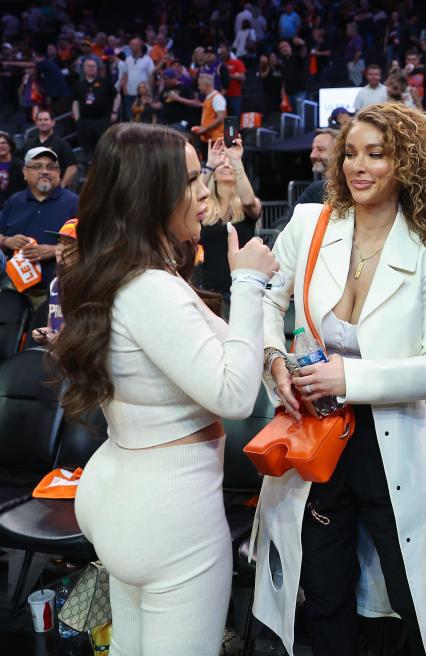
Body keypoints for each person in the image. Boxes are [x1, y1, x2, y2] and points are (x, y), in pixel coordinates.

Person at [55, 122, 278, 655]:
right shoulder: (150, 285)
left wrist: (274, 357)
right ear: (147, 192)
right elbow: (232, 395)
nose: (204, 191)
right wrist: (248, 282)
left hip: (131, 494)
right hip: (168, 512)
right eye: (189, 180)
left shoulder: (124, 269)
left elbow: (222, 346)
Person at [252, 103, 426, 656]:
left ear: (408, 164)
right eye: (350, 153)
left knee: (414, 599)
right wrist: (276, 361)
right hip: (315, 436)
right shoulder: (309, 222)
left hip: (393, 441)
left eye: (377, 154)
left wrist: (352, 376)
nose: (357, 167)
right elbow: (269, 299)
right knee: (324, 594)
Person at [0, 147, 78, 330]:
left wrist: (52, 251)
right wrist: (6, 241)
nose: (44, 171)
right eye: (37, 166)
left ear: (59, 173)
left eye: (51, 167)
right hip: (13, 293)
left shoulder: (74, 203)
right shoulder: (14, 201)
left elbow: (90, 244)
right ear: (25, 173)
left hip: (56, 296)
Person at [195, 137, 261, 298]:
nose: (226, 164)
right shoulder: (203, 208)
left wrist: (236, 160)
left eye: (229, 162)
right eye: (221, 162)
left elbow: (248, 201)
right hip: (210, 290)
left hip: (244, 288)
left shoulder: (248, 205)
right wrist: (209, 165)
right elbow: (190, 198)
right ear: (213, 176)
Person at [30, 217, 76, 346]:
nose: (60, 248)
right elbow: (52, 326)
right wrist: (45, 333)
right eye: (59, 242)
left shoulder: (90, 285)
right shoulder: (55, 283)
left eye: (69, 243)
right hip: (56, 354)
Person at [72, 56, 119, 160]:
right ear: (84, 69)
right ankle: (89, 171)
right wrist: (77, 118)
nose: (92, 68)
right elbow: (75, 101)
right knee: (88, 149)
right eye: (89, 66)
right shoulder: (79, 85)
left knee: (104, 148)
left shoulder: (105, 82)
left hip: (103, 120)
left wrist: (114, 111)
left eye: (94, 66)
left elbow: (117, 96)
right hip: (85, 121)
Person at [22, 109, 78, 188]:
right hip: (33, 189)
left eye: (46, 119)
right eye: (40, 120)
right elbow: (22, 165)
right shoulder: (29, 144)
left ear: (53, 122)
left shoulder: (62, 144)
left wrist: (62, 185)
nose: (43, 122)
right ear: (36, 123)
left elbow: (72, 167)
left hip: (55, 189)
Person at [0, 131, 25, 208]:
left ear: (10, 145)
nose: (1, 146)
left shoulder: (20, 165)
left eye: (4, 143)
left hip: (17, 206)